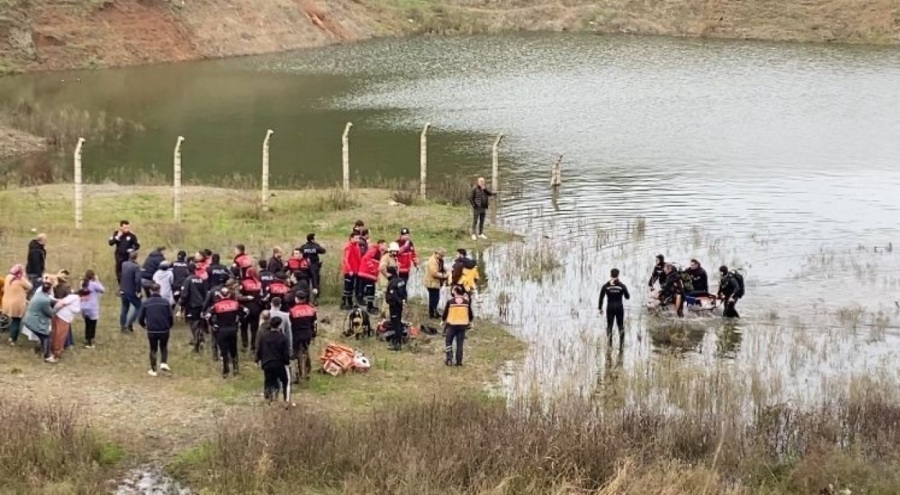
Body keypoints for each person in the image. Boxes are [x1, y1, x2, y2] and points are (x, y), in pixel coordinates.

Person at [208, 288, 247, 378]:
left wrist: (213, 324)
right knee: (234, 350)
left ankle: (225, 371)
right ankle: (236, 369)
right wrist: (239, 321)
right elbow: (246, 311)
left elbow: (207, 316)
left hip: (221, 330)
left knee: (223, 351)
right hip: (233, 330)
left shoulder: (216, 305)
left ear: (220, 295)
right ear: (229, 294)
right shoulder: (236, 304)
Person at [138, 283, 174, 376]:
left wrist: (144, 326)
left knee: (153, 349)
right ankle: (163, 362)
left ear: (150, 291)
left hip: (152, 330)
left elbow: (140, 318)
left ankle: (154, 370)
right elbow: (170, 316)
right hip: (164, 329)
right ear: (159, 290)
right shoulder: (165, 302)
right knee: (164, 346)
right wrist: (169, 326)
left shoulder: (146, 303)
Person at [256, 315, 293, 405]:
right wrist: (287, 362)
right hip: (279, 363)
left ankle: (268, 400)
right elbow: (285, 352)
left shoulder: (264, 337)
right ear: (279, 325)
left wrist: (258, 359)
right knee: (286, 381)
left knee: (268, 381)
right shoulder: (283, 337)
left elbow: (259, 349)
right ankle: (286, 401)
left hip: (267, 363)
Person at [22, 278, 55, 362]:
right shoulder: (45, 300)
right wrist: (59, 307)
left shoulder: (38, 295)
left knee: (42, 337)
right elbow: (50, 313)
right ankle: (47, 356)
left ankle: (39, 350)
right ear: (50, 290)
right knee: (46, 336)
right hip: (35, 321)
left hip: (29, 319)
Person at [179, 264, 208, 354]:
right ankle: (201, 339)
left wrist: (181, 305)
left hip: (192, 306)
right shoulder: (200, 279)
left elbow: (184, 294)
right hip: (201, 305)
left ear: (187, 270)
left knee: (194, 325)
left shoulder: (187, 280)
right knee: (199, 324)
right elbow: (205, 292)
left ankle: (197, 345)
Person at [288, 291, 317, 382]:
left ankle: (297, 375)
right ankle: (308, 372)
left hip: (296, 335)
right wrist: (313, 334)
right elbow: (314, 323)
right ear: (305, 299)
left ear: (296, 299)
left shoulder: (292, 311)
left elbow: (290, 324)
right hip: (308, 334)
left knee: (295, 355)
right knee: (306, 351)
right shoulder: (311, 310)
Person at [599, 268, 631, 347]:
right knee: (620, 326)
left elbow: (601, 297)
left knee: (609, 326)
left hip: (610, 307)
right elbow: (627, 297)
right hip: (619, 307)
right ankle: (622, 345)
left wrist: (600, 308)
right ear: (618, 275)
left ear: (610, 275)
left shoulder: (606, 286)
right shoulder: (622, 286)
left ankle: (609, 344)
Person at [442, 285, 473, 366]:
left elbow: (445, 313)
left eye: (453, 289)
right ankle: (459, 362)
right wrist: (470, 321)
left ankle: (449, 358)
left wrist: (443, 320)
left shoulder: (450, 301)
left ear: (455, 291)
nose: (452, 291)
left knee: (448, 341)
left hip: (452, 325)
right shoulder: (466, 302)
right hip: (462, 325)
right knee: (460, 344)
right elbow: (470, 314)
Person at [3, 265, 32, 345]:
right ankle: (13, 339)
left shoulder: (8, 277)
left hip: (7, 301)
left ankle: (11, 336)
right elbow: (30, 287)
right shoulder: (20, 279)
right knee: (16, 321)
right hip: (17, 304)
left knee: (13, 320)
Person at [238, 268, 264, 352]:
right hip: (256, 308)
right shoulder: (259, 283)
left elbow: (239, 297)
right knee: (254, 328)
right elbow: (262, 296)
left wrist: (246, 298)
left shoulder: (243, 283)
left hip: (245, 308)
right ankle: (253, 346)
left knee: (244, 327)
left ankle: (245, 344)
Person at [78, 270, 104, 348]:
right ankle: (90, 341)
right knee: (93, 325)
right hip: (92, 307)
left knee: (87, 324)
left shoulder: (82, 284)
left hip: (84, 306)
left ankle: (86, 339)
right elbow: (102, 290)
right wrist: (97, 280)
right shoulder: (94, 284)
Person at [357, 240, 384, 315]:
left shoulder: (379, 252)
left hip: (370, 274)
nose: (385, 247)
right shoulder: (374, 249)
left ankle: (370, 305)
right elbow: (367, 258)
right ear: (380, 244)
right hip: (367, 273)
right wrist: (372, 269)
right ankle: (369, 307)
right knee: (370, 290)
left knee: (371, 289)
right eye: (384, 245)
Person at [119, 251, 142, 332]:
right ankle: (129, 323)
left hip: (123, 289)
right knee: (139, 306)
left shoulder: (124, 264)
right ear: (136, 257)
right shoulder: (136, 267)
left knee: (124, 308)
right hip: (131, 291)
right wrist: (138, 291)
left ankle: (122, 326)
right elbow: (138, 280)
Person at [385, 266, 407, 351]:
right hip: (400, 305)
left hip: (394, 306)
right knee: (398, 322)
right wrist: (404, 301)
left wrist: (399, 301)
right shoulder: (401, 280)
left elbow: (393, 295)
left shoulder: (392, 282)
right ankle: (399, 342)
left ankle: (396, 343)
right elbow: (405, 292)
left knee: (395, 324)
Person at [424, 248, 449, 319]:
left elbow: (441, 267)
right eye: (441, 255)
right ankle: (432, 314)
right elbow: (434, 273)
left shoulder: (438, 260)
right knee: (434, 299)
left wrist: (446, 270)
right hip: (431, 283)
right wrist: (444, 275)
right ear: (436, 253)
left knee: (435, 298)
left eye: (443, 256)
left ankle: (435, 312)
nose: (442, 257)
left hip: (435, 283)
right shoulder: (432, 261)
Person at [341, 233, 362, 310]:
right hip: (349, 271)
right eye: (356, 238)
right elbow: (346, 259)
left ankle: (350, 302)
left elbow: (358, 258)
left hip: (355, 270)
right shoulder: (349, 246)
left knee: (351, 287)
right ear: (351, 238)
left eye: (358, 238)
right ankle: (344, 303)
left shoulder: (356, 246)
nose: (358, 240)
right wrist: (349, 270)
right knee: (347, 287)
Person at [377, 243, 399, 313]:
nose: (395, 252)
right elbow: (382, 268)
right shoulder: (386, 257)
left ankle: (384, 312)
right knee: (387, 297)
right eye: (393, 251)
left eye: (396, 251)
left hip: (391, 282)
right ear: (390, 250)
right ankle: (385, 313)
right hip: (386, 281)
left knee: (388, 297)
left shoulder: (393, 258)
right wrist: (390, 276)